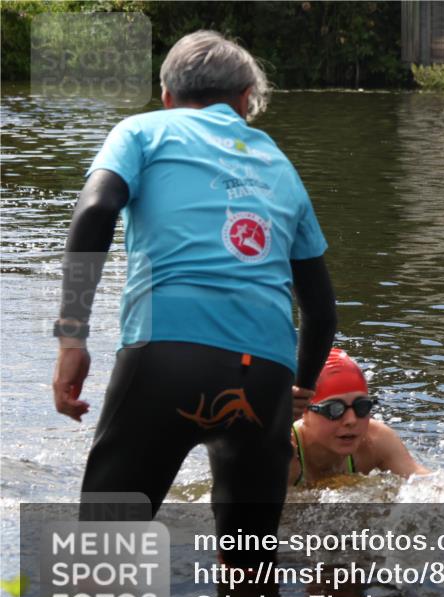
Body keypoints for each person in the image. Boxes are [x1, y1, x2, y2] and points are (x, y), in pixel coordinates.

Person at [52, 31, 337, 567]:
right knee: (250, 576)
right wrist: (298, 386)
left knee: (104, 564)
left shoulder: (141, 131)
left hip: (165, 361)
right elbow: (321, 310)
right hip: (263, 377)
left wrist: (72, 336)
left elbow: (94, 212)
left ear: (166, 96)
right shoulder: (279, 163)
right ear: (247, 98)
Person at [289, 349, 429, 485]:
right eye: (334, 409)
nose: (351, 420)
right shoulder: (285, 454)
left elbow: (427, 484)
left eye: (361, 406)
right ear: (303, 411)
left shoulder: (375, 440)